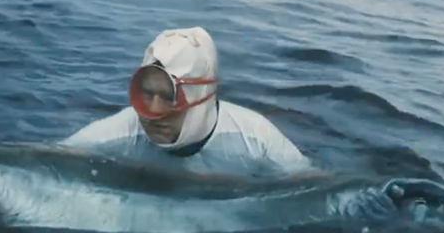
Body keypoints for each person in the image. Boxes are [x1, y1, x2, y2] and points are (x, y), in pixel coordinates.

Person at [58, 27, 316, 178]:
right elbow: (53, 162)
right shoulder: (118, 132)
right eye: (146, 94)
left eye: (170, 97)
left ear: (200, 99)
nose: (153, 113)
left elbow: (310, 185)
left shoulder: (256, 138)